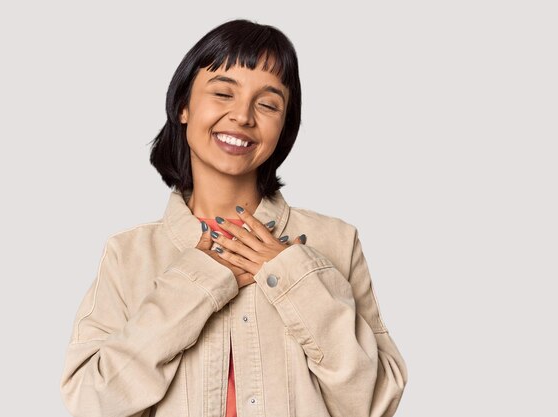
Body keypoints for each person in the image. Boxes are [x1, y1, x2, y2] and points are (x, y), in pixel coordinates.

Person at [60, 19, 408, 417]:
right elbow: (92, 402)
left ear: (284, 126)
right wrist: (197, 284)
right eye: (223, 93)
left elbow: (375, 402)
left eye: (268, 103)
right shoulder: (129, 254)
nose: (242, 116)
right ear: (183, 106)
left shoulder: (336, 241)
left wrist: (292, 275)